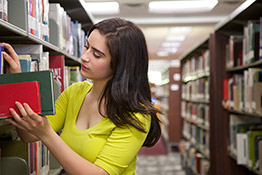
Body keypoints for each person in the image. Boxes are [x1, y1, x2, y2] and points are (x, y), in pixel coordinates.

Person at [1, 17, 161, 175]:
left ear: (121, 65)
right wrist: (16, 80)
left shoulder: (135, 115)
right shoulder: (74, 92)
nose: (84, 57)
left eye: (97, 54)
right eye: (86, 47)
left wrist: (47, 134)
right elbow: (28, 135)